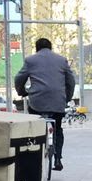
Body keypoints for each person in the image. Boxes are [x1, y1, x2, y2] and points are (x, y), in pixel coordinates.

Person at [13, 37, 76, 170]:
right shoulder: (62, 60)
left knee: (34, 129)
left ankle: (34, 158)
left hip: (37, 102)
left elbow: (19, 78)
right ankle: (58, 159)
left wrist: (21, 91)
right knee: (57, 129)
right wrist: (67, 97)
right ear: (50, 47)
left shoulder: (30, 60)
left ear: (37, 48)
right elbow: (71, 81)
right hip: (57, 102)